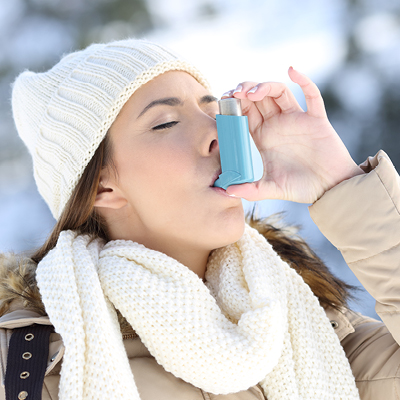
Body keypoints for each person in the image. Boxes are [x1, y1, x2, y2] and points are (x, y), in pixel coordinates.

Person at [0, 38, 398, 400]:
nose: (218, 132)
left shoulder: (309, 326)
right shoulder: (27, 365)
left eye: (214, 111)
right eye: (166, 122)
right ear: (102, 187)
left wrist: (338, 181)